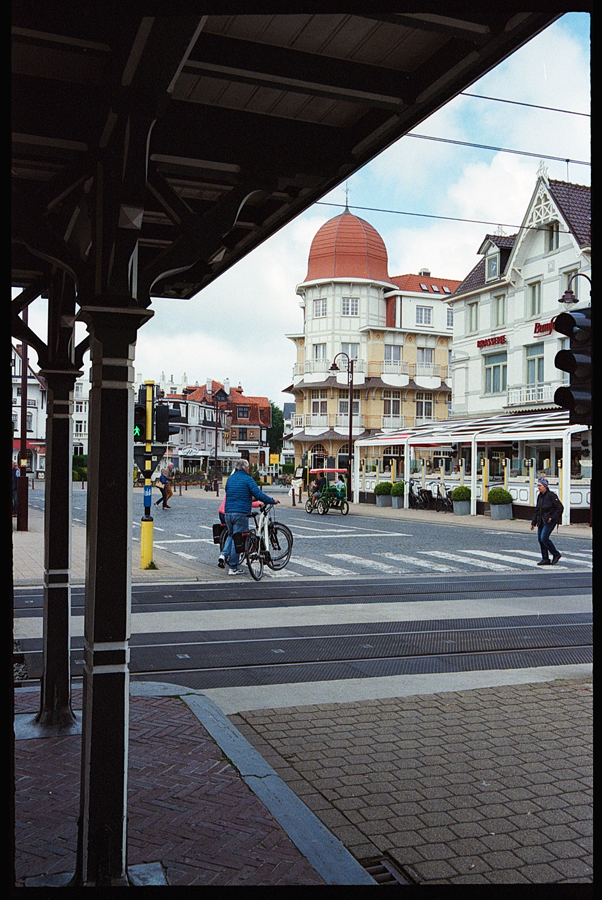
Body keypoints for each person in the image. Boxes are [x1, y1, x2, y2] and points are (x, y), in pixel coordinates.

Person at [219, 459, 278, 575]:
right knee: (239, 540)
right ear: (246, 468)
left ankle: (223, 555)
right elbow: (258, 494)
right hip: (240, 514)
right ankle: (233, 567)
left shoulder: (230, 479)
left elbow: (228, 492)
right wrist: (272, 501)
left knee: (231, 535)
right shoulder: (248, 479)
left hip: (228, 513)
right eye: (248, 467)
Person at [530, 476, 564, 565]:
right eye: (538, 486)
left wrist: (552, 518)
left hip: (549, 521)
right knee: (540, 540)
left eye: (540, 486)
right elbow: (537, 510)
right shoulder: (539, 496)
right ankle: (545, 558)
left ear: (545, 486)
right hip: (541, 520)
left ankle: (556, 554)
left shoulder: (551, 496)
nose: (538, 488)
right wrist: (533, 523)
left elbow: (560, 507)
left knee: (544, 538)